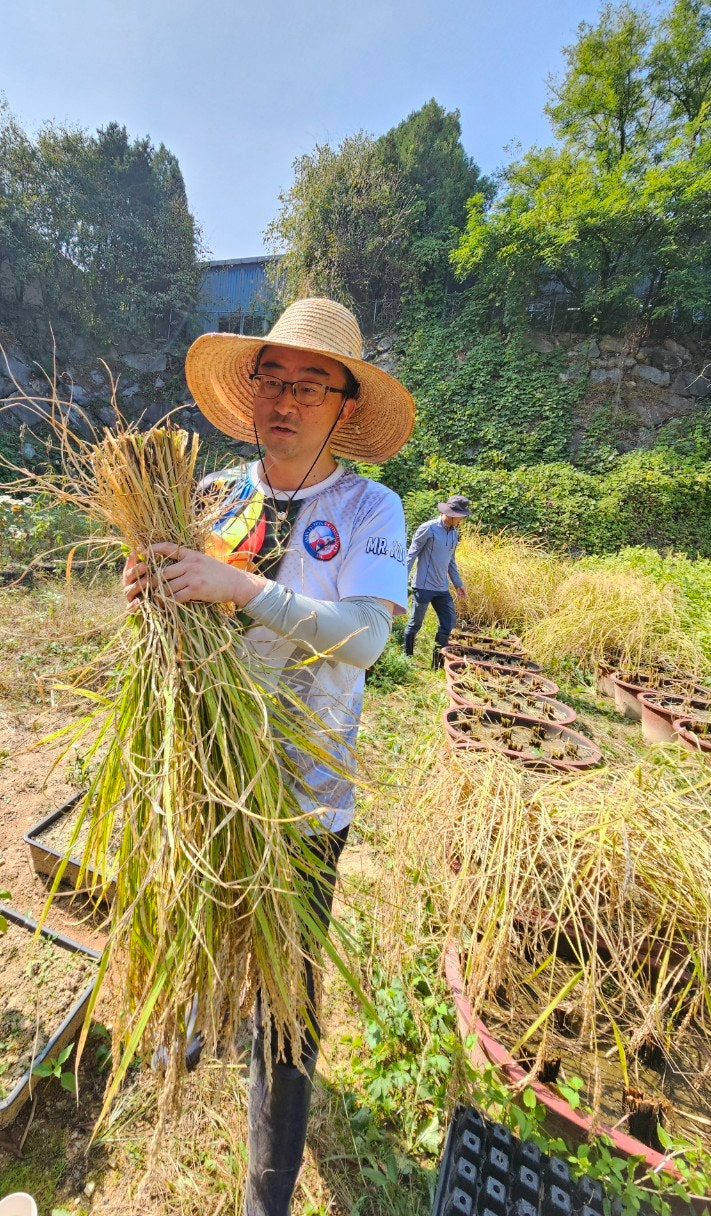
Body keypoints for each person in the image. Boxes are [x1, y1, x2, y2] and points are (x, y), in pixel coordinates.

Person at [123, 296, 415, 1216]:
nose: (284, 399)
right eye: (271, 379)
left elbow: (366, 640)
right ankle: (202, 1024)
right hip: (207, 781)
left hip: (300, 802)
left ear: (343, 406)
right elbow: (183, 614)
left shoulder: (369, 506)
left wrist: (241, 586)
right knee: (207, 927)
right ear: (250, 393)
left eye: (309, 385)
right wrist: (149, 592)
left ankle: (267, 1195)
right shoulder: (218, 495)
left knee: (285, 998)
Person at [402, 494, 472, 667]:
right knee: (415, 623)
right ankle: (407, 659)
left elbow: (451, 561)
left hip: (442, 588)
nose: (462, 519)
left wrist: (458, 584)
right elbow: (412, 554)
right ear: (452, 514)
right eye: (461, 516)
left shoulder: (454, 534)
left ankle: (437, 664)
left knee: (448, 623)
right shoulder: (429, 528)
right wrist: (400, 578)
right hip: (423, 586)